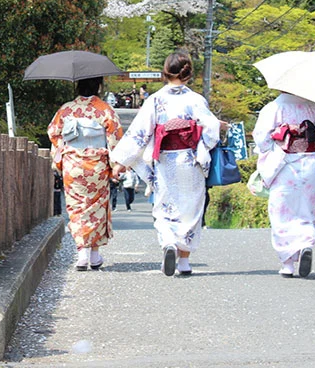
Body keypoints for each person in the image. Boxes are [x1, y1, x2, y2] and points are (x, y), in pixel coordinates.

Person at [110, 51, 221, 276]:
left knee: (164, 206)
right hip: (191, 161)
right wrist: (201, 146)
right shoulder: (196, 100)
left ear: (165, 72)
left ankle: (168, 242)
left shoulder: (156, 100)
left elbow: (139, 133)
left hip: (165, 161)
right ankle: (184, 262)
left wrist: (121, 162)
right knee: (190, 208)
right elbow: (211, 130)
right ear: (188, 73)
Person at [252, 93, 315, 278]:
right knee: (306, 208)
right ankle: (305, 243)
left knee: (281, 210)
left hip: (284, 163)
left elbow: (262, 138)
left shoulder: (274, 107)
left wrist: (277, 145)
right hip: (310, 162)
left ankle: (287, 263)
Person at [48, 76, 124, 271]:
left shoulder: (66, 109)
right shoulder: (104, 109)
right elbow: (115, 137)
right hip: (97, 166)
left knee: (76, 208)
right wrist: (116, 165)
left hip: (72, 166)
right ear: (98, 85)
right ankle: (95, 255)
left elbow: (53, 132)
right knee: (97, 207)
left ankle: (82, 254)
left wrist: (65, 150)